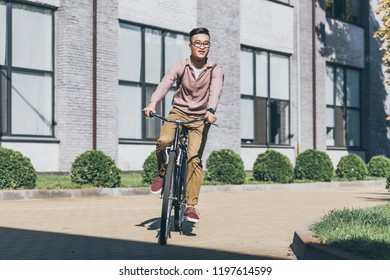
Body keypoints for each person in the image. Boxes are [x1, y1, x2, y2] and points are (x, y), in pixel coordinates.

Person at [143, 27, 224, 223]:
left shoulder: (215, 69)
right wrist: (153, 102)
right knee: (163, 141)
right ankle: (162, 175)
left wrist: (211, 112)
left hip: (200, 118)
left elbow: (215, 92)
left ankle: (190, 206)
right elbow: (166, 82)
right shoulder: (181, 65)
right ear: (190, 46)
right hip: (178, 112)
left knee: (193, 159)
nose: (202, 47)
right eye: (198, 43)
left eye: (206, 44)